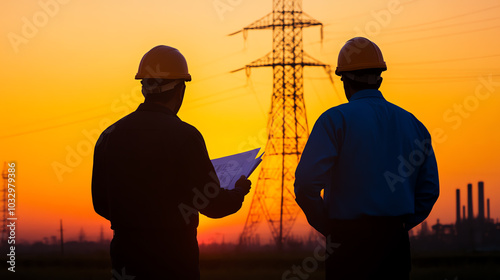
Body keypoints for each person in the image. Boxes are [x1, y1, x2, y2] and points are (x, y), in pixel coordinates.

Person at [92, 45, 251, 280]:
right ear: (180, 90)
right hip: (174, 262)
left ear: (144, 88)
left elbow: (101, 204)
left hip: (126, 260)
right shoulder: (185, 136)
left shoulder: (109, 135)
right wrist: (238, 192)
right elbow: (213, 204)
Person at [294, 37, 439, 280]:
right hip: (395, 246)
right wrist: (399, 227)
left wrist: (329, 227)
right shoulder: (413, 124)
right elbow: (428, 191)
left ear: (345, 81)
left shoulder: (335, 120)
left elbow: (306, 185)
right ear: (380, 78)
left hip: (347, 244)